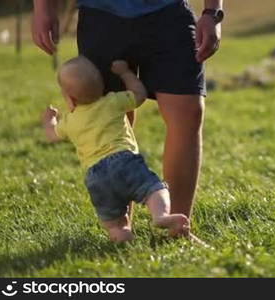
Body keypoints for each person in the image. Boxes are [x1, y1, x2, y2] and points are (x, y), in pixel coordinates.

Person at [32, 0, 224, 228]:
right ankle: (122, 229)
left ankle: (177, 227)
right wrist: (44, 9)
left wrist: (212, 12)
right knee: (108, 113)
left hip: (168, 13)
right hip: (101, 14)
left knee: (188, 112)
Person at [42, 56, 190, 243]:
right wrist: (126, 73)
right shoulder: (112, 102)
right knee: (154, 190)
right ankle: (160, 216)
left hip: (96, 177)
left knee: (114, 222)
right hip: (125, 161)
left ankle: (122, 236)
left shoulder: (70, 122)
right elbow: (139, 94)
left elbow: (51, 135)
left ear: (70, 99)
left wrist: (49, 119)